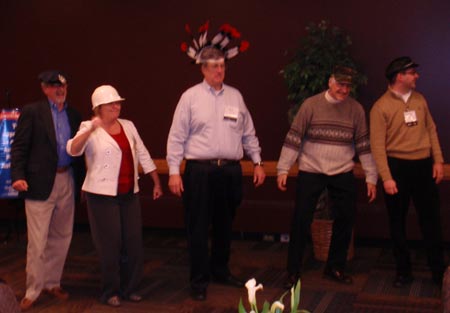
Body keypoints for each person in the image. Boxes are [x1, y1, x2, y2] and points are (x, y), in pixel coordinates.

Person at [167, 25, 265, 301]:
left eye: (222, 66)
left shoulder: (236, 96)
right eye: (212, 67)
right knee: (197, 226)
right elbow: (176, 137)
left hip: (230, 171)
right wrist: (174, 171)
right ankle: (199, 280)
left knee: (225, 224)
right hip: (199, 171)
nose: (218, 71)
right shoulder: (190, 97)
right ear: (202, 69)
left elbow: (248, 133)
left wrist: (257, 161)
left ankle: (220, 270)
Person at [277, 66, 378, 288]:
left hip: (342, 170)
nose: (344, 89)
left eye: (347, 86)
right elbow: (294, 137)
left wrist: (371, 176)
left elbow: (363, 145)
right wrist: (283, 168)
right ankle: (293, 271)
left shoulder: (356, 109)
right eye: (340, 84)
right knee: (301, 220)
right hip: (311, 169)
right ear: (330, 82)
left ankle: (335, 267)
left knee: (346, 218)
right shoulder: (311, 105)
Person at [66, 85, 162, 306]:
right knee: (109, 245)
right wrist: (90, 129)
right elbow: (72, 149)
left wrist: (155, 180)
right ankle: (110, 291)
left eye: (118, 103)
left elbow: (143, 153)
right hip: (101, 196)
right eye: (111, 104)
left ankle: (131, 287)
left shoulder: (128, 126)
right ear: (99, 108)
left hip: (128, 193)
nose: (116, 106)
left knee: (133, 242)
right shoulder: (88, 126)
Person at [370, 56, 445, 287]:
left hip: (423, 167)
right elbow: (377, 146)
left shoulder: (420, 100)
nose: (416, 76)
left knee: (431, 220)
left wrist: (438, 161)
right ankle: (403, 271)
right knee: (397, 222)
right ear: (399, 76)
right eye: (412, 72)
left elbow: (431, 130)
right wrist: (387, 177)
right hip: (397, 168)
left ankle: (438, 270)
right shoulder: (380, 107)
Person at [10, 70, 83, 311]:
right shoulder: (32, 112)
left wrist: (82, 183)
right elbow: (19, 146)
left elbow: (80, 153)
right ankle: (33, 289)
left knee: (62, 237)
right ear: (44, 89)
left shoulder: (74, 114)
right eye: (53, 86)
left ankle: (53, 282)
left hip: (67, 180)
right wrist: (18, 176)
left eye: (62, 85)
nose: (59, 89)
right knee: (38, 242)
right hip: (39, 183)